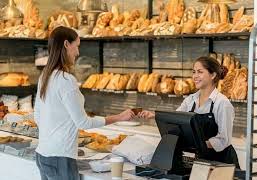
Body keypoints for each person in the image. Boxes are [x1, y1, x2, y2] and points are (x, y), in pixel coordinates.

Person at [34, 26, 135, 180]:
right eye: (77, 46)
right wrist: (119, 117)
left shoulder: (45, 77)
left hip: (43, 154)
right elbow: (83, 123)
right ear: (67, 44)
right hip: (61, 158)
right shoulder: (66, 80)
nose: (78, 52)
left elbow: (38, 116)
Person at [138, 56, 240, 168]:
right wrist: (154, 115)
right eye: (194, 72)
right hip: (200, 160)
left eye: (200, 72)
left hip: (221, 163)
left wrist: (197, 144)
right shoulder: (191, 100)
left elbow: (224, 139)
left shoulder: (222, 103)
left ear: (213, 75)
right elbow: (175, 118)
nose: (195, 76)